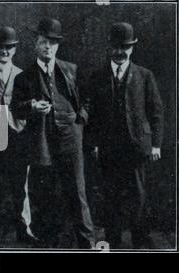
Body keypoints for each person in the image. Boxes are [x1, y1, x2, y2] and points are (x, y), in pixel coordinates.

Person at [10, 18, 95, 248]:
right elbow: (15, 108)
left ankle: (86, 243)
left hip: (70, 138)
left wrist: (80, 119)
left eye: (52, 43)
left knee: (78, 193)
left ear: (58, 46)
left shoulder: (71, 70)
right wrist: (31, 106)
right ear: (36, 45)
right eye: (43, 42)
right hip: (42, 140)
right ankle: (48, 244)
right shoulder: (24, 77)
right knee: (45, 194)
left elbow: (87, 99)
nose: (48, 47)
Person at [86, 22, 163, 249]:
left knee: (138, 195)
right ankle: (113, 240)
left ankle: (139, 240)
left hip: (137, 146)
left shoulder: (144, 75)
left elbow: (156, 112)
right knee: (111, 196)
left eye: (125, 47)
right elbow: (92, 114)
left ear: (133, 48)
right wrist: (94, 143)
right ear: (110, 47)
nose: (120, 52)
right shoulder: (98, 76)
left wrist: (156, 144)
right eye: (116, 47)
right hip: (109, 147)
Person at [0, 26, 33, 246]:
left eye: (9, 47)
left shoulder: (23, 75)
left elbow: (27, 107)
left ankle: (23, 230)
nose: (4, 51)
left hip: (17, 136)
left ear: (15, 49)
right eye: (1, 47)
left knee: (20, 186)